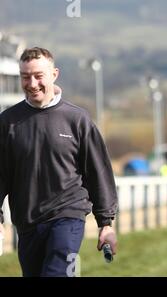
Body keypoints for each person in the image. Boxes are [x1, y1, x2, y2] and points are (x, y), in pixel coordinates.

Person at [0, 47, 118, 277]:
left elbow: (98, 171)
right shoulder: (8, 122)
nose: (32, 83)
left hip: (68, 216)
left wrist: (106, 222)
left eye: (38, 76)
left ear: (54, 74)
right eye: (25, 77)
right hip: (27, 223)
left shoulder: (77, 119)